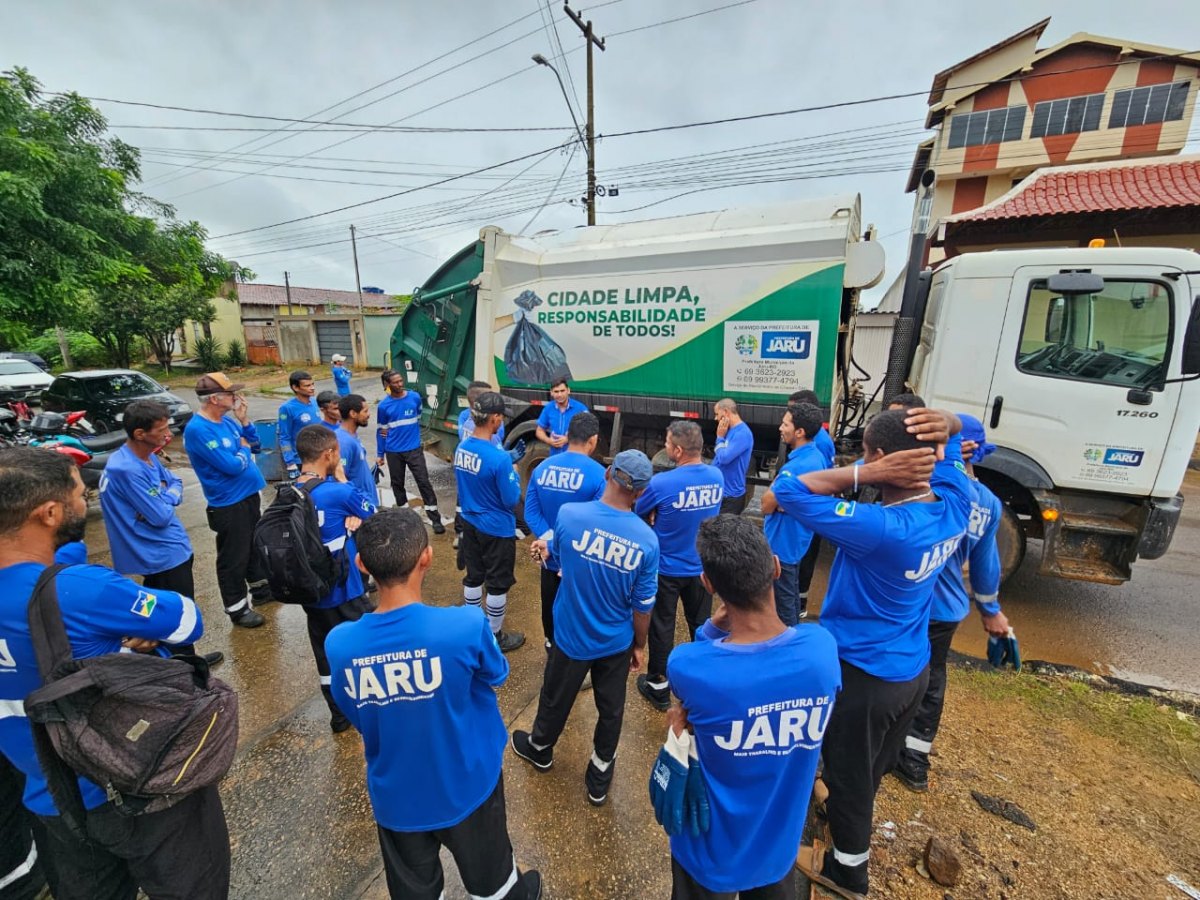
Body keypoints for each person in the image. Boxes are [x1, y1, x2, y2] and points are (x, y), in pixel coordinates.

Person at [0, 448, 231, 900]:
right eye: (79, 494)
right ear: (49, 513)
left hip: (49, 801)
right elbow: (186, 620)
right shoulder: (80, 588)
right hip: (135, 789)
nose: (86, 502)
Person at [776, 408, 971, 898]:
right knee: (873, 765)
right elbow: (953, 447)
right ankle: (845, 825)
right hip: (912, 668)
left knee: (850, 774)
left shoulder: (882, 527)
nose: (860, 460)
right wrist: (945, 424)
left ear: (883, 459)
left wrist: (866, 475)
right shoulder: (952, 502)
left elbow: (787, 492)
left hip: (864, 676)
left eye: (865, 452)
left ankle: (848, 871)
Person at [325, 508, 541, 900]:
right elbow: (498, 674)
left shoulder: (340, 644)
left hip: (396, 795)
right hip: (468, 783)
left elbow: (353, 708)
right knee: (494, 885)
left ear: (361, 564)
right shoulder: (464, 626)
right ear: (427, 557)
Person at [666, 515, 841, 899]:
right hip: (776, 851)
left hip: (708, 853)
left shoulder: (688, 665)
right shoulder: (821, 651)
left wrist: (711, 629)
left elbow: (695, 671)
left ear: (708, 584)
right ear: (776, 569)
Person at [512, 450, 659, 805]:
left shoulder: (570, 515)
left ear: (608, 473)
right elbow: (643, 606)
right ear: (640, 492)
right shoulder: (647, 541)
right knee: (611, 707)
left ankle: (541, 747)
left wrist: (545, 553)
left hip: (570, 634)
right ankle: (600, 772)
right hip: (615, 640)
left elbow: (558, 561)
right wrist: (639, 645)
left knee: (555, 695)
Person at [893, 413, 1011, 793]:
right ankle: (914, 762)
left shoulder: (930, 488)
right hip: (946, 611)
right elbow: (985, 566)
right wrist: (990, 612)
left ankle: (881, 750)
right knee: (931, 680)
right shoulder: (990, 504)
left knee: (890, 675)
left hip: (911, 605)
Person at [98, 398, 223, 665]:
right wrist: (165, 499)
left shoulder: (146, 457)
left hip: (169, 549)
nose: (168, 435)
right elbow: (160, 516)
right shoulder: (126, 469)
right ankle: (186, 666)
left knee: (160, 608)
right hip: (159, 555)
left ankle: (176, 659)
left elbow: (174, 481)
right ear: (139, 434)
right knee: (176, 610)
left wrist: (166, 495)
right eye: (161, 429)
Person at [634, 420, 725, 712]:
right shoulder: (716, 477)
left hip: (667, 569)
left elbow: (638, 511)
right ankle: (703, 682)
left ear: (677, 449)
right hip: (701, 568)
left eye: (666, 442)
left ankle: (659, 686)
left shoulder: (662, 483)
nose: (665, 447)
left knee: (663, 625)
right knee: (702, 625)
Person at [293, 425, 377, 733]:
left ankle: (338, 715)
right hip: (344, 589)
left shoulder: (291, 491)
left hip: (311, 592)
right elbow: (373, 512)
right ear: (329, 455)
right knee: (368, 643)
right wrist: (343, 481)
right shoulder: (338, 491)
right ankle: (372, 702)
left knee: (325, 653)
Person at [183, 372, 271, 628]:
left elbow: (254, 445)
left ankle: (262, 590)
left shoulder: (228, 422)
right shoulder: (199, 430)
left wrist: (244, 422)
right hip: (228, 503)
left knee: (254, 546)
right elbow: (231, 466)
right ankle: (237, 607)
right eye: (230, 393)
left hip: (248, 495)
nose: (235, 397)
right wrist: (242, 450)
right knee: (234, 556)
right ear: (214, 398)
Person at [522, 411, 606, 649]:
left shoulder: (541, 469)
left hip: (548, 559)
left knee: (549, 603)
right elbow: (596, 522)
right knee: (579, 611)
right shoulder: (599, 475)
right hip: (580, 560)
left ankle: (550, 644)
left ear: (568, 436)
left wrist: (550, 541)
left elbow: (531, 513)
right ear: (593, 440)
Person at [454, 392, 523, 652]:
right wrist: (514, 473)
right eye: (501, 418)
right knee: (497, 583)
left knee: (474, 577)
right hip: (496, 528)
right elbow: (511, 499)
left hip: (470, 522)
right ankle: (494, 637)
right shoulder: (500, 459)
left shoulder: (463, 447)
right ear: (494, 419)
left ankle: (474, 629)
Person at [758, 402, 828, 625]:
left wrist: (776, 493)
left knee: (784, 603)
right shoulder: (815, 456)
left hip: (783, 545)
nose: (780, 427)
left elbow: (766, 504)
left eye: (785, 424)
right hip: (795, 541)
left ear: (800, 432)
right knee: (791, 595)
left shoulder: (796, 468)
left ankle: (791, 649)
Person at [376, 369, 445, 534]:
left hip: (414, 450)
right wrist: (380, 454)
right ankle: (404, 516)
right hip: (393, 452)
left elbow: (418, 415)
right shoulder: (384, 407)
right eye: (395, 382)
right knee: (397, 484)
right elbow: (382, 431)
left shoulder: (414, 397)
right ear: (387, 384)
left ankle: (435, 518)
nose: (400, 384)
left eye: (401, 380)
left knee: (424, 482)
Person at [712, 399, 754, 516]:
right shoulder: (730, 431)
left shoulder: (742, 433)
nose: (716, 418)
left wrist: (719, 437)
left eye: (717, 414)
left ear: (725, 412)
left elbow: (724, 458)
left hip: (730, 497)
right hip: (722, 494)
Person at [337, 393, 379, 507]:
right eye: (365, 411)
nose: (369, 415)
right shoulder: (343, 442)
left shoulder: (352, 435)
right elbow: (340, 479)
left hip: (367, 502)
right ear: (353, 414)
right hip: (359, 505)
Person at [278, 370, 319, 479]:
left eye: (312, 384)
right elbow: (284, 436)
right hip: (300, 460)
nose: (312, 387)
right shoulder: (287, 408)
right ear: (295, 388)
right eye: (307, 385)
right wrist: (290, 463)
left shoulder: (315, 402)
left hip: (317, 457)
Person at [535, 378, 587, 456]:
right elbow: (539, 431)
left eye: (562, 391)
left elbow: (589, 432)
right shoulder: (548, 408)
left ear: (568, 391)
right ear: (551, 392)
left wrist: (568, 439)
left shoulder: (580, 409)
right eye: (556, 391)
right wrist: (549, 441)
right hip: (555, 457)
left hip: (574, 457)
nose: (559, 395)